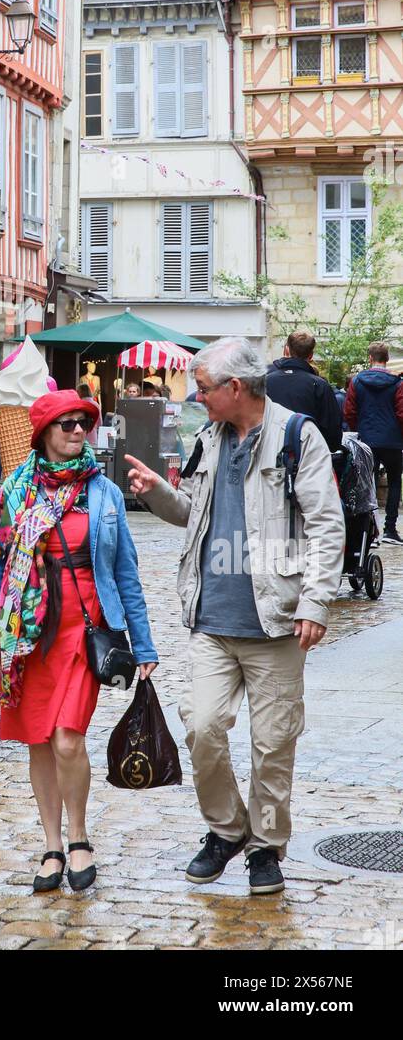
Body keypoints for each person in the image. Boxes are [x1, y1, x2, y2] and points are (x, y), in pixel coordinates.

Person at [125, 336, 344, 897]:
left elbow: (326, 524)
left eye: (202, 389)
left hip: (275, 622)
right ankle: (226, 831)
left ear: (235, 388)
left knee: (273, 743)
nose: (196, 398)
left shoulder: (299, 437)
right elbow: (191, 514)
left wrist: (316, 602)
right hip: (212, 620)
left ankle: (266, 847)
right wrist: (155, 494)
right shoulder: (207, 440)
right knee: (202, 727)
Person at [0, 389, 159, 894]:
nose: (78, 431)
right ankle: (51, 846)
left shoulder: (104, 494)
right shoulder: (16, 492)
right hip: (28, 635)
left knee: (68, 739)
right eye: (67, 424)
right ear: (44, 433)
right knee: (39, 744)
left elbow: (126, 573)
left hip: (85, 631)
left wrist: (145, 644)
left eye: (83, 424)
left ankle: (79, 838)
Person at [343, 341, 403, 544]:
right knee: (395, 482)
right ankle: (390, 530)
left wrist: (358, 430)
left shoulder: (357, 381)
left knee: (368, 484)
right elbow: (402, 413)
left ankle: (370, 531)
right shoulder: (397, 383)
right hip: (393, 440)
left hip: (366, 440)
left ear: (370, 358)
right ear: (387, 359)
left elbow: (349, 411)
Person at [265, 330, 342, 452]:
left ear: (287, 350)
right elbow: (332, 432)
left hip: (271, 452)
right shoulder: (320, 386)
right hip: (309, 454)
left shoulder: (265, 381)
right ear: (311, 356)